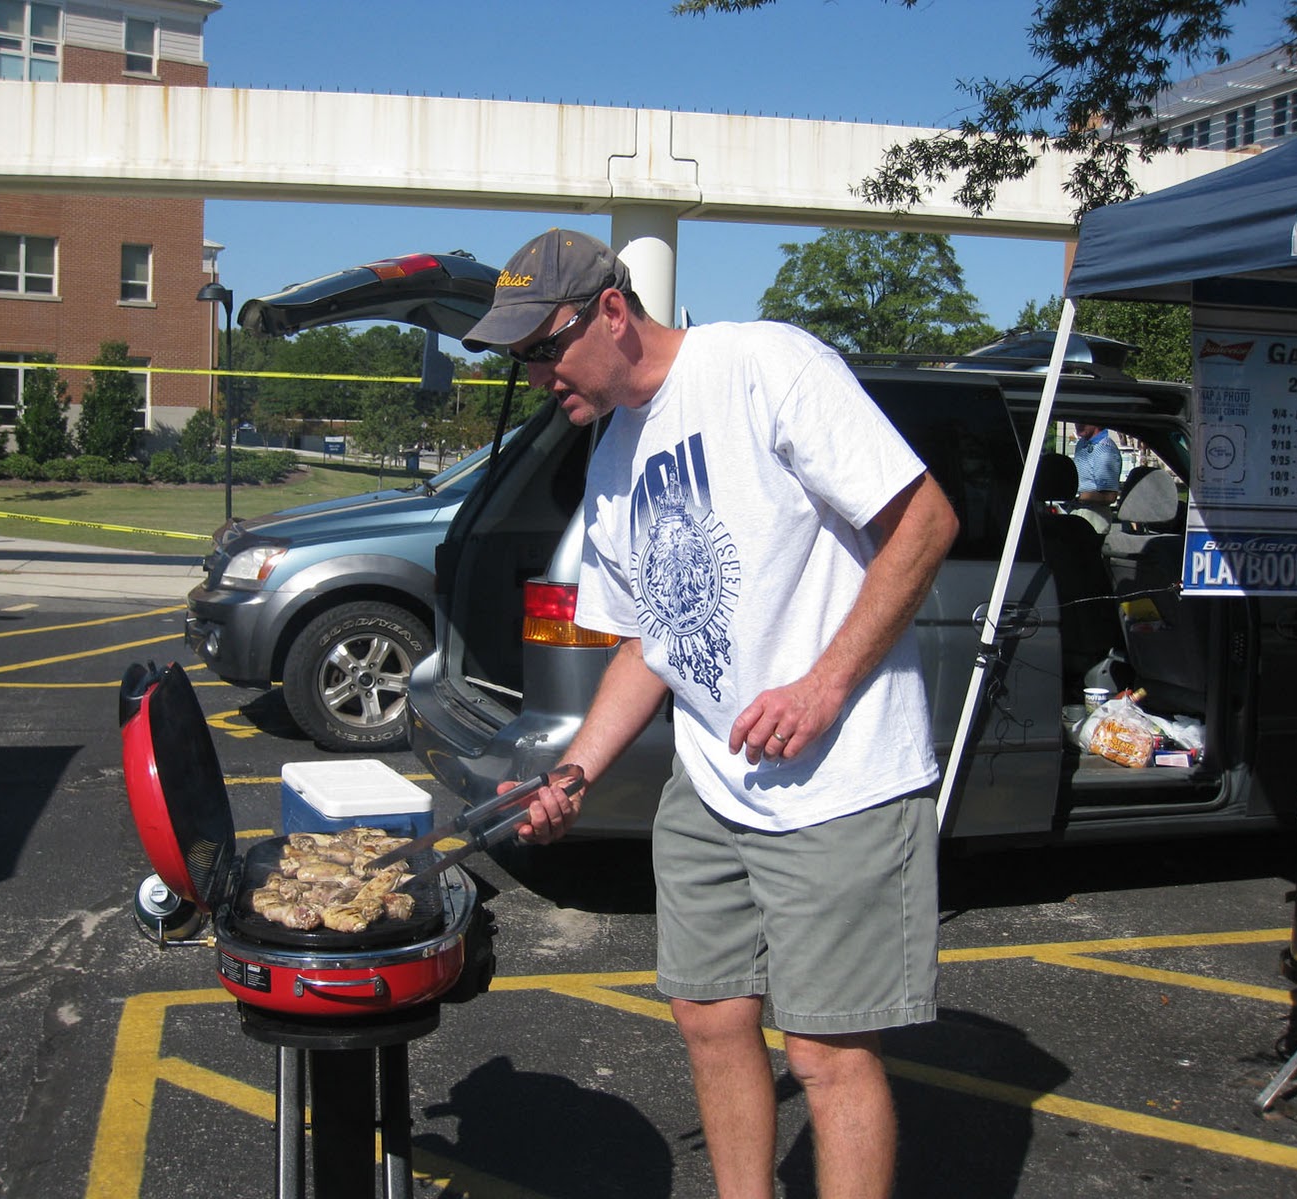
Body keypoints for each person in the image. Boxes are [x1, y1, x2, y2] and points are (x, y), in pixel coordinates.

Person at [465, 229, 959, 1199]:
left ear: (611, 311)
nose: (533, 375)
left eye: (542, 347)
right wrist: (573, 772)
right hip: (712, 780)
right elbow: (650, 641)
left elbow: (927, 520)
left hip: (839, 778)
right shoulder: (611, 459)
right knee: (707, 1015)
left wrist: (820, 686)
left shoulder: (762, 364)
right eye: (517, 358)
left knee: (823, 1052)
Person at [1071, 422, 1122, 506]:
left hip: (1094, 513)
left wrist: (1078, 497)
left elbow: (1109, 496)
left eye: (1083, 420)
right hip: (1077, 508)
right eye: (1075, 420)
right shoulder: (1081, 443)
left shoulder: (1105, 450)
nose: (1078, 424)